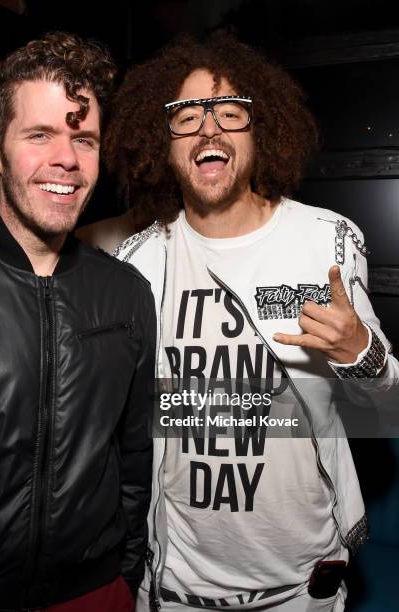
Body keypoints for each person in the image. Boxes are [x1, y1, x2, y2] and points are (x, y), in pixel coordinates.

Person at [99, 32, 399, 611]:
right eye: (187, 117)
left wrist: (360, 350)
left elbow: (389, 402)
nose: (209, 129)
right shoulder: (139, 261)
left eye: (231, 114)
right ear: (164, 144)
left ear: (260, 135)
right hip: (172, 588)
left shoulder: (324, 243)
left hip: (301, 589)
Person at [0, 32, 156, 611]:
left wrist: (122, 574)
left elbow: (135, 459)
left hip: (93, 594)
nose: (66, 159)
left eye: (84, 139)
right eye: (40, 134)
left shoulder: (126, 293)